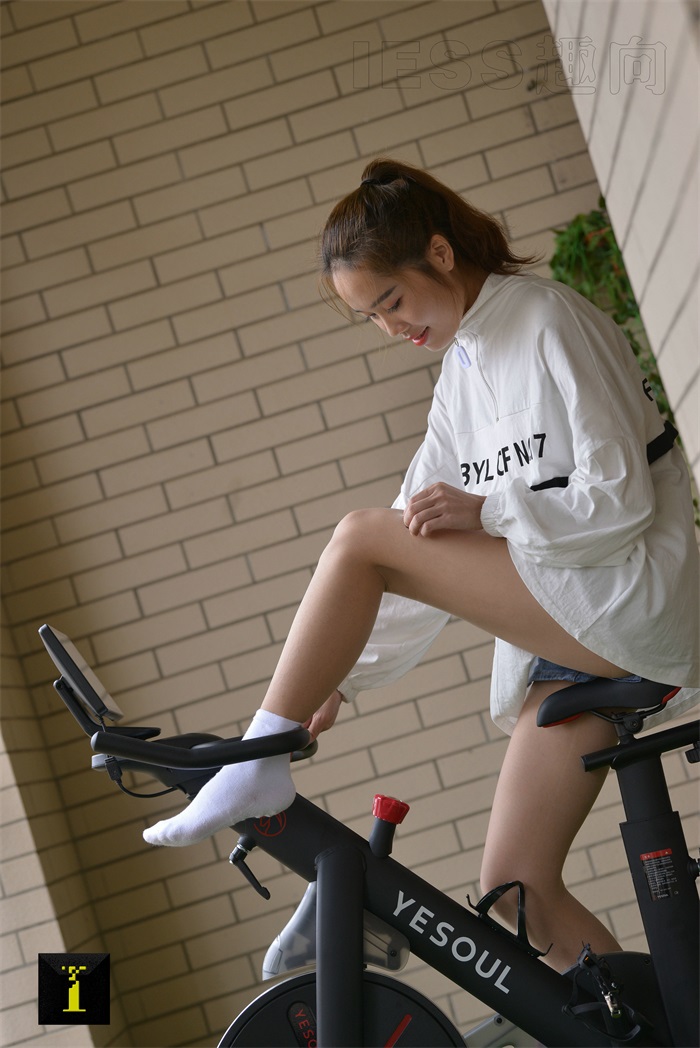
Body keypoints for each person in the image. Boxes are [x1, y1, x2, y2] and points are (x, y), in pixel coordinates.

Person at [143, 157, 699, 972]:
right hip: (571, 635)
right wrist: (338, 676)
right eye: (369, 316)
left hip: (627, 594)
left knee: (358, 537)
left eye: (392, 301)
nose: (389, 327)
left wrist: (490, 510)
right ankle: (658, 1026)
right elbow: (419, 539)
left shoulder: (547, 320)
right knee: (513, 887)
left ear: (439, 254)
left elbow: (620, 501)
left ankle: (257, 760)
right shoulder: (460, 372)